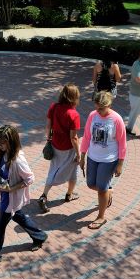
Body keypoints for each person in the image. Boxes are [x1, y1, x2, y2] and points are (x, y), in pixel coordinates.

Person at [0, 125, 48, 268]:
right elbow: (6, 174)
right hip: (7, 197)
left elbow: (30, 179)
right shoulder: (5, 154)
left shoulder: (18, 159)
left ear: (11, 142)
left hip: (9, 200)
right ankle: (40, 236)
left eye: (2, 143)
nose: (0, 146)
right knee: (19, 216)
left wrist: (12, 188)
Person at [80, 91, 126, 230]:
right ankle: (108, 192)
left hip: (108, 160)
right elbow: (87, 136)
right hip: (93, 157)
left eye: (101, 108)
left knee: (101, 189)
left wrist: (120, 164)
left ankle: (101, 216)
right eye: (96, 107)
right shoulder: (92, 116)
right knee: (90, 184)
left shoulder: (116, 119)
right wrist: (82, 156)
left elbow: (122, 143)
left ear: (109, 105)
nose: (98, 110)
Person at [38, 84, 81, 213]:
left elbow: (48, 127)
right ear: (74, 98)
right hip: (68, 149)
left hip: (55, 145)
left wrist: (49, 140)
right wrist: (79, 153)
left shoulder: (54, 107)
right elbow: (73, 138)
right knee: (73, 170)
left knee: (55, 170)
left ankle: (53, 194)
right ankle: (64, 194)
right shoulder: (74, 114)